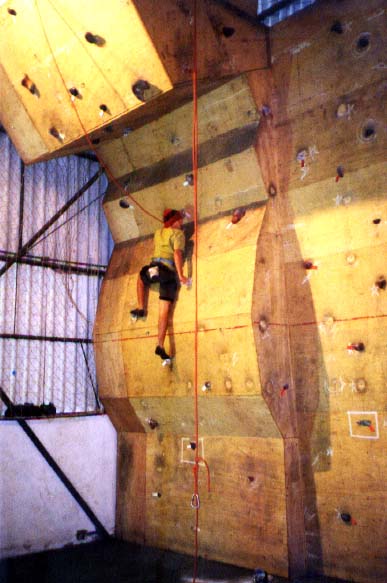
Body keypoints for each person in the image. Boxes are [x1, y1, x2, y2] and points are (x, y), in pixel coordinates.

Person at [130, 209, 189, 361]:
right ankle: (160, 344)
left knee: (142, 278)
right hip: (167, 273)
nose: (182, 222)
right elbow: (177, 254)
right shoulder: (179, 235)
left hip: (154, 267)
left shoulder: (158, 233)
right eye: (180, 220)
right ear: (176, 221)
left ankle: (141, 308)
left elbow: (167, 232)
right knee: (164, 313)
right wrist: (181, 275)